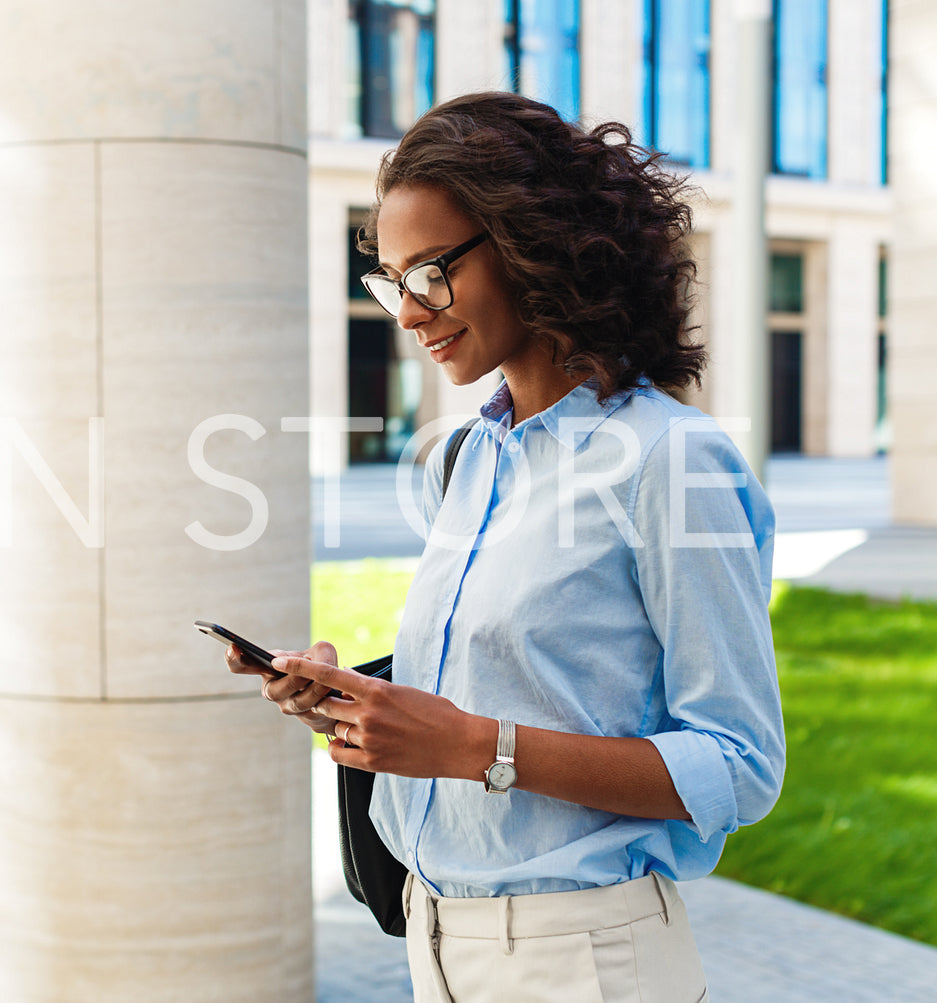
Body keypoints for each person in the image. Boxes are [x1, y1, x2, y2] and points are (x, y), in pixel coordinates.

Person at [226, 92, 784, 1002]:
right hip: (436, 939)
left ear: (533, 240)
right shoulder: (467, 457)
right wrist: (358, 701)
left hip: (585, 959)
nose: (407, 312)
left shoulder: (670, 459)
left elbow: (739, 763)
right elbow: (509, 683)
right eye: (391, 280)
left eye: (430, 274)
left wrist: (471, 745)